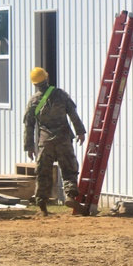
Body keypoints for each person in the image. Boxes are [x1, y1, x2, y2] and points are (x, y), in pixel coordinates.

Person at [22, 67, 86, 216]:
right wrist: (80, 131)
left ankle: (42, 207)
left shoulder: (33, 101)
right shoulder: (60, 95)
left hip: (45, 142)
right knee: (69, 169)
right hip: (63, 139)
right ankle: (70, 195)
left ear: (34, 84)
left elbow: (28, 126)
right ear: (47, 78)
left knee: (43, 173)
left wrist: (29, 147)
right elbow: (73, 114)